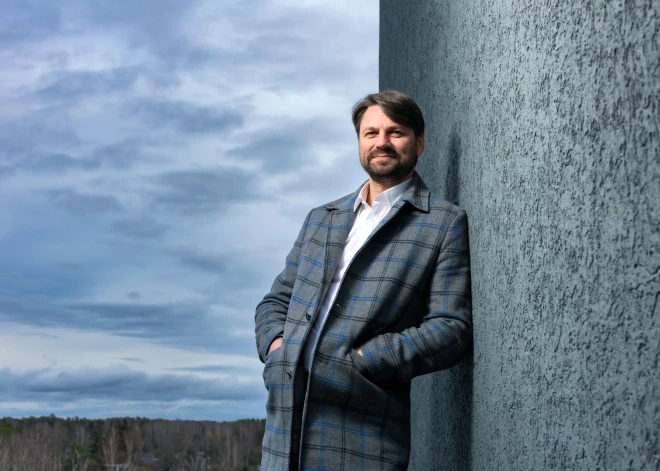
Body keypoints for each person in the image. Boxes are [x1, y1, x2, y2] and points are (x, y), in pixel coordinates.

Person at [255, 90, 472, 471]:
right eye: (371, 133)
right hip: (284, 428)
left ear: (419, 143)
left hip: (362, 433)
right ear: (359, 142)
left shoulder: (442, 223)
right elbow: (276, 301)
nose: (381, 142)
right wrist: (277, 348)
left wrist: (366, 361)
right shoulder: (321, 218)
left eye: (395, 132)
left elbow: (451, 328)